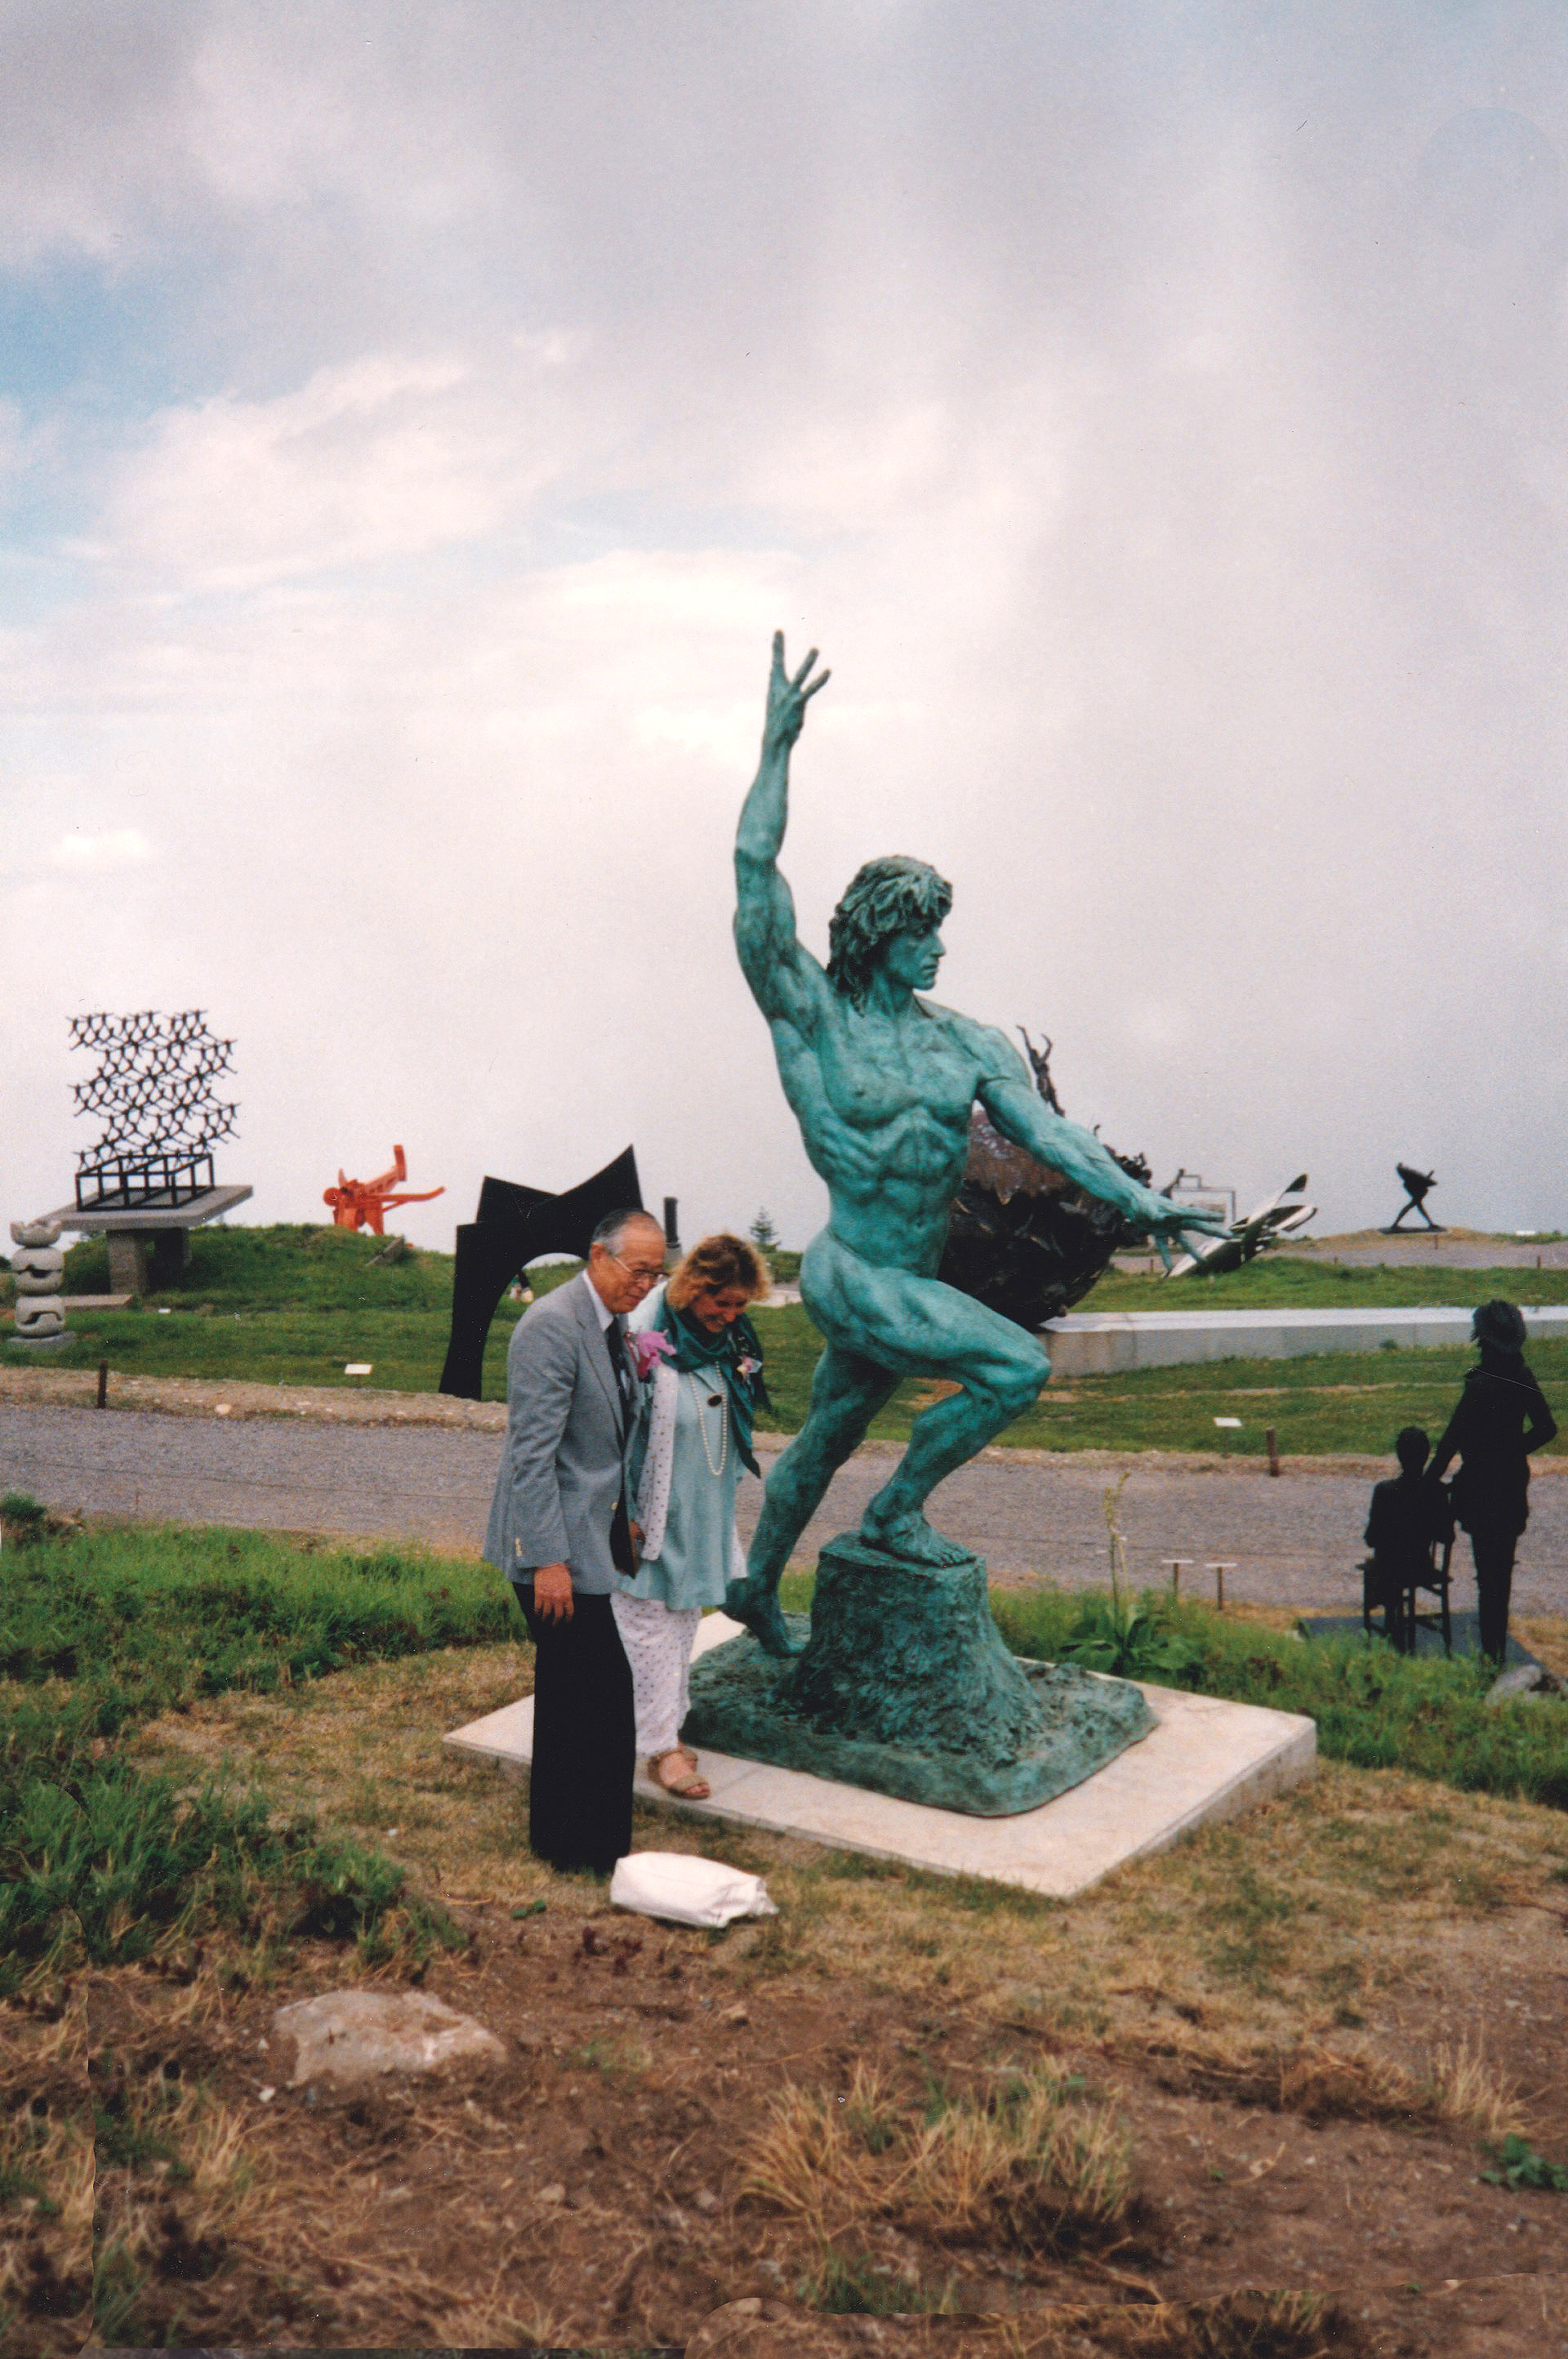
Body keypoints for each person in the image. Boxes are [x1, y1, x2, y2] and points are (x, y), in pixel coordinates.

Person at [724, 632, 1226, 1655]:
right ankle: (894, 1514)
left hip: (912, 1274)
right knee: (1014, 1369)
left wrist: (1137, 1199)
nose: (941, 948)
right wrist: (776, 747)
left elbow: (1047, 1132)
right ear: (880, 932)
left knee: (827, 1433)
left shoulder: (968, 1042)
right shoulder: (812, 1015)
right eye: (923, 932)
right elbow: (753, 872)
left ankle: (755, 1589)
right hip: (852, 1268)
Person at [482, 1206, 666, 1871]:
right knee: (599, 1693)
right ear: (597, 1257)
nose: (644, 1285)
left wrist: (625, 1521)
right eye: (636, 1270)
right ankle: (584, 1847)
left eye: (655, 1274)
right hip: (550, 1547)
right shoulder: (552, 1326)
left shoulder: (612, 1325)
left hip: (586, 1536)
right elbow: (531, 1455)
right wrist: (547, 1562)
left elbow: (607, 1440)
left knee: (575, 1692)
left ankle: (571, 1842)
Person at [613, 1233, 770, 1799]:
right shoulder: (646, 1347)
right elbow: (612, 1436)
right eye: (719, 1302)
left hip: (701, 1513)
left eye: (739, 1305)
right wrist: (621, 1514)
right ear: (690, 1289)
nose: (728, 1315)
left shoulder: (732, 1346)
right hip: (649, 1516)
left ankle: (668, 1732)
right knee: (648, 1634)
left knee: (681, 1628)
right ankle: (660, 1749)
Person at [1431, 1299, 1557, 1666]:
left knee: (1489, 1576)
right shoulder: (1521, 1377)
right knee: (1498, 1576)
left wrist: (1427, 1481)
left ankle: (1492, 1653)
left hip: (1482, 1487)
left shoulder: (1482, 1384)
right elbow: (1546, 1428)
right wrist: (1513, 1450)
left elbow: (1451, 1440)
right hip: (1510, 1484)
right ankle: (1494, 1649)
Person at [1362, 1425, 1454, 1652]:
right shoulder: (1438, 1492)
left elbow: (1371, 1539)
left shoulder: (1384, 1491)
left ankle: (1391, 1621)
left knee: (1381, 1566)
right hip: (1422, 1566)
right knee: (1390, 1565)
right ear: (1426, 1455)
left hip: (1392, 1567)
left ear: (1399, 1455)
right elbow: (1446, 1536)